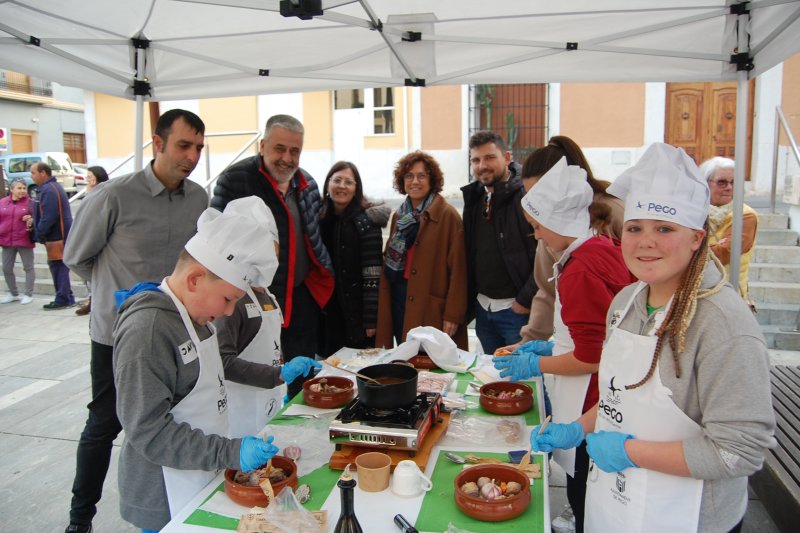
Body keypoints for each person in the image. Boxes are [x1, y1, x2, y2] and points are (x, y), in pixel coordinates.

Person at [531, 143, 776, 533]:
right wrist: (580, 427)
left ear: (697, 238)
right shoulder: (626, 302)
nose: (646, 242)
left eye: (665, 228)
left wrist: (629, 451)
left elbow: (739, 451)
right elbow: (620, 395)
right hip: (613, 503)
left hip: (687, 517)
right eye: (635, 228)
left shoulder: (724, 325)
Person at [113, 198, 320, 531]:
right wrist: (230, 451)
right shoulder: (149, 330)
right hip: (163, 493)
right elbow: (148, 431)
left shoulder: (197, 318)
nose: (227, 313)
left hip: (201, 472)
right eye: (228, 299)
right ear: (195, 279)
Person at [62, 109, 209, 533]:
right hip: (117, 336)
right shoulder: (113, 195)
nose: (192, 156)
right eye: (184, 145)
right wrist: (112, 294)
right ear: (158, 144)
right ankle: (80, 518)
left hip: (175, 334)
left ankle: (172, 511)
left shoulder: (199, 199)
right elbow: (76, 256)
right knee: (105, 422)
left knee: (169, 423)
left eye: (198, 147)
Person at [493, 157, 634, 533]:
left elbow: (591, 355)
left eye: (538, 227)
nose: (537, 235)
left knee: (585, 500)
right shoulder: (598, 247)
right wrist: (549, 347)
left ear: (560, 223)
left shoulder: (581, 268)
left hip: (592, 397)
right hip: (604, 392)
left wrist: (537, 365)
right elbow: (593, 330)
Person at [212, 114, 334, 398]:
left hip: (301, 296)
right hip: (253, 299)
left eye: (295, 151)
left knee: (302, 375)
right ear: (263, 145)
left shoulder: (308, 185)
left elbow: (313, 236)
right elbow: (216, 239)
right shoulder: (235, 180)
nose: (287, 158)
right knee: (264, 374)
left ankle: (297, 433)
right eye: (280, 149)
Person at [375, 151, 469, 349]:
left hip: (430, 303)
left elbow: (459, 271)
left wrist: (453, 314)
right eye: (409, 176)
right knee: (405, 358)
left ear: (432, 179)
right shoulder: (399, 216)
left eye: (421, 175)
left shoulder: (447, 215)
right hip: (399, 297)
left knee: (431, 364)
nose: (414, 181)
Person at [214, 197, 288, 437]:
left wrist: (283, 370)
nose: (272, 261)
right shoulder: (231, 299)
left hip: (270, 400)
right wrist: (276, 375)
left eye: (275, 252)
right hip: (242, 414)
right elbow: (222, 362)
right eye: (267, 253)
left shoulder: (266, 293)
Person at [461, 131, 536, 355]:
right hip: (483, 309)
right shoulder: (474, 197)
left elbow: (545, 255)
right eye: (476, 160)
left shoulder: (526, 196)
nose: (482, 165)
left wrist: (524, 300)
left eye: (489, 157)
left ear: (506, 157)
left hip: (517, 311)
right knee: (493, 380)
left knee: (526, 382)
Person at [319, 161, 390, 355]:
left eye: (348, 182)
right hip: (326, 312)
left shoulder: (366, 221)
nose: (342, 186)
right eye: (337, 180)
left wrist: (370, 319)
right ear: (327, 185)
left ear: (356, 189)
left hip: (356, 313)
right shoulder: (318, 217)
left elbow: (373, 274)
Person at [699, 156, 758, 304]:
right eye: (722, 182)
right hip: (695, 291)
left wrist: (688, 249)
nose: (729, 187)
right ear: (706, 183)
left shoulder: (745, 215)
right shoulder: (694, 211)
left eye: (734, 182)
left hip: (728, 294)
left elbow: (724, 253)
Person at [31, 162, 75, 310]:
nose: (32, 176)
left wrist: (39, 232)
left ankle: (63, 298)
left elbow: (49, 216)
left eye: (34, 173)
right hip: (55, 236)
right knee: (58, 266)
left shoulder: (49, 190)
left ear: (43, 173)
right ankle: (65, 296)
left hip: (57, 236)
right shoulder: (49, 188)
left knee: (58, 266)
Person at [74, 165, 109, 316]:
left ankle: (94, 301)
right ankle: (91, 300)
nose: (87, 180)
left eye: (90, 177)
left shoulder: (103, 194)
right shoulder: (92, 194)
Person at [0, 178, 35, 305]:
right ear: (11, 189)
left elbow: (38, 217)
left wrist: (31, 219)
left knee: (28, 267)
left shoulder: (30, 203)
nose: (22, 191)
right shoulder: (2, 203)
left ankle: (28, 294)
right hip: (6, 240)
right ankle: (13, 293)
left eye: (24, 188)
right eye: (19, 188)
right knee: (6, 268)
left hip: (24, 239)